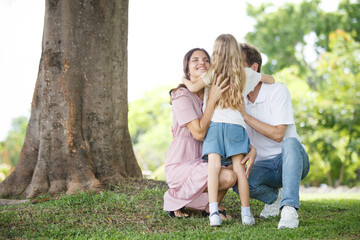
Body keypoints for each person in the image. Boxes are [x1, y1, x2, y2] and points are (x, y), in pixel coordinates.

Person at [182, 34, 274, 227]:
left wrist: (184, 78)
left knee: (213, 168)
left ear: (216, 52)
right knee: (239, 169)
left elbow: (192, 87)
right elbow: (271, 79)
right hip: (236, 127)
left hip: (214, 126)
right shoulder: (245, 73)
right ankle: (246, 214)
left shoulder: (211, 74)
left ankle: (214, 212)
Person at [237, 43, 310, 229]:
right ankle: (274, 199)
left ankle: (289, 208)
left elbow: (279, 134)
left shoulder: (277, 90)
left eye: (237, 65)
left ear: (253, 68)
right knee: (236, 179)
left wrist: (246, 116)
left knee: (291, 142)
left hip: (292, 160)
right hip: (264, 168)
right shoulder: (237, 100)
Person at [163, 48, 237, 220]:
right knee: (228, 176)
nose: (201, 63)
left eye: (205, 59)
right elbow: (198, 132)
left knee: (236, 164)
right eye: (195, 60)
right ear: (187, 69)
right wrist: (212, 99)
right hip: (182, 162)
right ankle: (176, 197)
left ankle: (210, 206)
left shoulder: (212, 93)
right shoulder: (181, 95)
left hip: (206, 157)